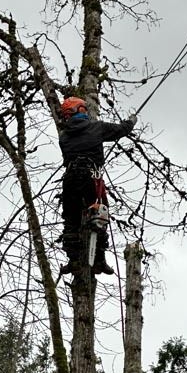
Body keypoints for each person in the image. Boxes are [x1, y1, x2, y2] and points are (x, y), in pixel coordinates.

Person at [58, 97, 137, 276]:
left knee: (71, 221)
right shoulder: (96, 128)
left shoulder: (64, 138)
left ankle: (74, 260)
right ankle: (99, 260)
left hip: (70, 180)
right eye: (83, 109)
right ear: (79, 111)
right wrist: (131, 121)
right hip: (90, 177)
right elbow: (120, 130)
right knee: (100, 215)